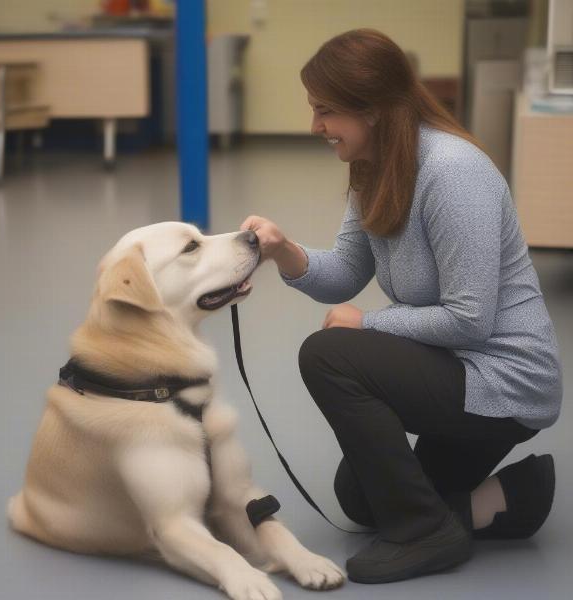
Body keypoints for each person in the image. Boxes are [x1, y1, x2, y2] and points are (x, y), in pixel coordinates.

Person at [240, 29, 562, 584]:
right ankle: (514, 498)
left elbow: (470, 317)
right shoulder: (375, 168)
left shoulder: (453, 173)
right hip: (460, 365)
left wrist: (370, 323)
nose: (315, 127)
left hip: (506, 379)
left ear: (375, 111)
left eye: (325, 111)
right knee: (360, 498)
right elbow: (345, 271)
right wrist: (283, 252)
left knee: (330, 354)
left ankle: (424, 531)